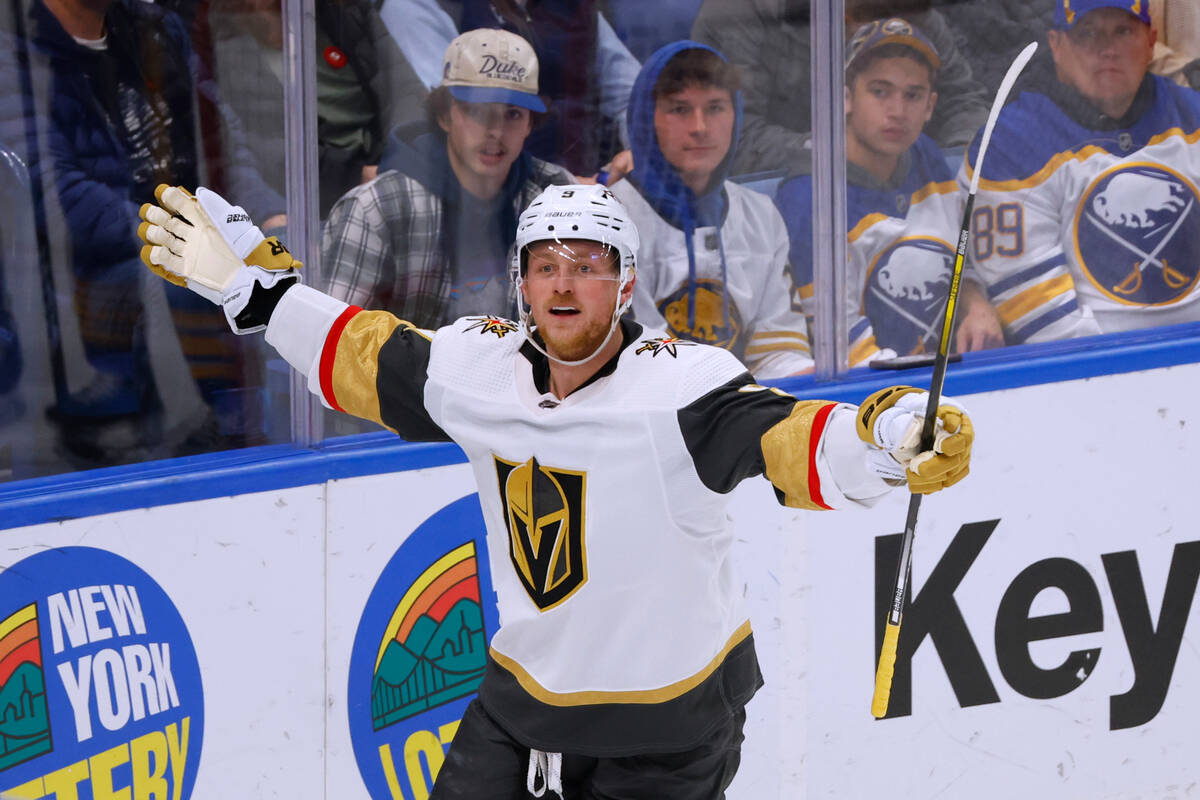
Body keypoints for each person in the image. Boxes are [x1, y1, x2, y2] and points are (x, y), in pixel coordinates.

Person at [137, 180, 975, 798]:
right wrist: (250, 285)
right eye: (544, 266)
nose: (564, 285)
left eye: (587, 266)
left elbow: (795, 438)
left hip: (667, 727)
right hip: (525, 699)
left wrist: (893, 437)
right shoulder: (479, 371)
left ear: (624, 282)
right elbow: (358, 356)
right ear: (521, 282)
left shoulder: (680, 390)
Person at [0, 0, 285, 468]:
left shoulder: (153, 28)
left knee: (292, 255)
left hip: (180, 246)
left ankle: (303, 440)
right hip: (75, 289)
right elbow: (60, 198)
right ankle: (191, 453)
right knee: (173, 285)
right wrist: (188, 242)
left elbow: (221, 149)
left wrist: (270, 218)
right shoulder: (12, 47)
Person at [963, 0, 1200, 344]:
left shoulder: (1193, 118)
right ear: (1057, 47)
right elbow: (1043, 320)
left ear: (1150, 41)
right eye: (1088, 34)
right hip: (1090, 375)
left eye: (1123, 31)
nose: (1108, 49)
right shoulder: (1009, 146)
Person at [774, 18, 1004, 365]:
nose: (898, 111)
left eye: (913, 95)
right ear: (846, 97)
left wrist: (975, 304)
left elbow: (959, 260)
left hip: (942, 380)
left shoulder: (926, 157)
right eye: (880, 91)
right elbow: (840, 345)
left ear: (930, 106)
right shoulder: (810, 197)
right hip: (871, 400)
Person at [321, 28, 572, 328]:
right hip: (409, 376)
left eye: (513, 114)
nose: (495, 130)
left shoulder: (557, 200)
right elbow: (336, 347)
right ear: (444, 116)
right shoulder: (376, 209)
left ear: (531, 123)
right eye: (479, 112)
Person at [609, 41, 815, 379]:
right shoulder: (610, 219)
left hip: (745, 413)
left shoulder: (760, 215)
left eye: (716, 107)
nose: (700, 127)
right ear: (647, 120)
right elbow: (643, 370)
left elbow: (779, 353)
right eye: (679, 109)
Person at [689, 0, 989, 175]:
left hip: (907, 191)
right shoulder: (740, 11)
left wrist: (964, 166)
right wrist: (840, 153)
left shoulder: (912, 10)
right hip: (787, 202)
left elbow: (961, 101)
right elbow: (728, 137)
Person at [207, 0, 429, 217]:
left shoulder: (341, 10)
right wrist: (355, 176)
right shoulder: (232, 49)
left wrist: (395, 158)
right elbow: (271, 153)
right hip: (323, 202)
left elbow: (405, 91)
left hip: (390, 162)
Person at [378, 0, 641, 178]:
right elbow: (453, 122)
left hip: (586, 185)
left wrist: (638, 154)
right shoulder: (419, 6)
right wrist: (558, 187)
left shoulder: (573, 6)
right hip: (480, 199)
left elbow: (633, 96)